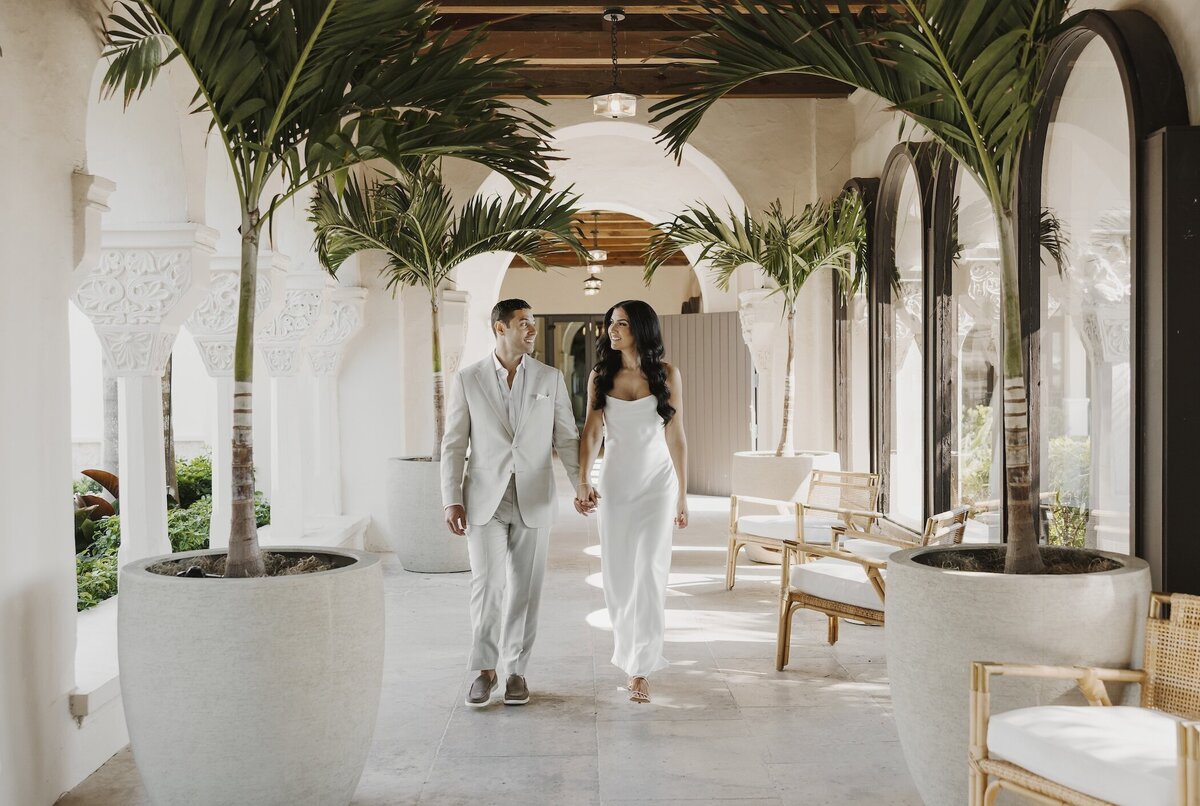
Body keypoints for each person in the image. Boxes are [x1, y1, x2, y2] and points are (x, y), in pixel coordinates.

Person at [441, 299, 585, 707]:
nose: (532, 330)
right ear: (499, 329)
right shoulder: (468, 379)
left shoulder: (550, 378)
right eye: (523, 323)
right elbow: (453, 444)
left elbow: (566, 438)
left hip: (534, 497)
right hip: (484, 499)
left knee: (526, 587)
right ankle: (485, 670)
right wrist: (450, 498)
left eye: (533, 323)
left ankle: (516, 670)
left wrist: (581, 484)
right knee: (487, 585)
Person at [577, 300, 688, 704]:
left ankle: (641, 667)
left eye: (622, 323)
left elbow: (677, 437)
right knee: (619, 576)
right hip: (616, 486)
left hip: (658, 485)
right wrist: (581, 481)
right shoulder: (600, 375)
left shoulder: (667, 374)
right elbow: (591, 433)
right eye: (611, 323)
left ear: (641, 328)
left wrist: (683, 495)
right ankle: (628, 654)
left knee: (650, 572)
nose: (612, 330)